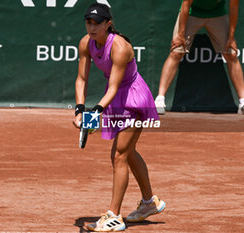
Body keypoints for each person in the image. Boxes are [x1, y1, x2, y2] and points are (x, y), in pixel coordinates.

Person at [73, 3, 166, 232]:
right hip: (114, 99)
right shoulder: (86, 43)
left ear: (108, 24)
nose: (92, 27)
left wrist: (95, 112)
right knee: (128, 151)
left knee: (119, 155)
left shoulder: (120, 47)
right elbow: (81, 80)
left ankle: (114, 216)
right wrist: (79, 110)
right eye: (88, 22)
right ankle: (148, 203)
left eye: (97, 23)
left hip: (134, 97)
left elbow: (114, 87)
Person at [154, 0, 244, 116]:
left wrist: (231, 36)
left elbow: (234, 7)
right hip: (191, 13)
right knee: (176, 52)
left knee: (231, 54)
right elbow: (186, 4)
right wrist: (180, 35)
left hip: (217, 14)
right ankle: (159, 99)